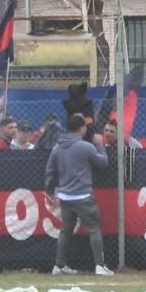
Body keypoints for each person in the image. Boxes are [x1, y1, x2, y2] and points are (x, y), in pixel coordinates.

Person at [44, 113, 113, 276]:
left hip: (65, 196)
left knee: (66, 230)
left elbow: (50, 171)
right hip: (83, 196)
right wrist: (98, 143)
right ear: (81, 128)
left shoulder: (57, 147)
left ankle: (59, 265)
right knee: (94, 228)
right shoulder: (86, 146)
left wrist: (49, 190)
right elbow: (103, 162)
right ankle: (99, 265)